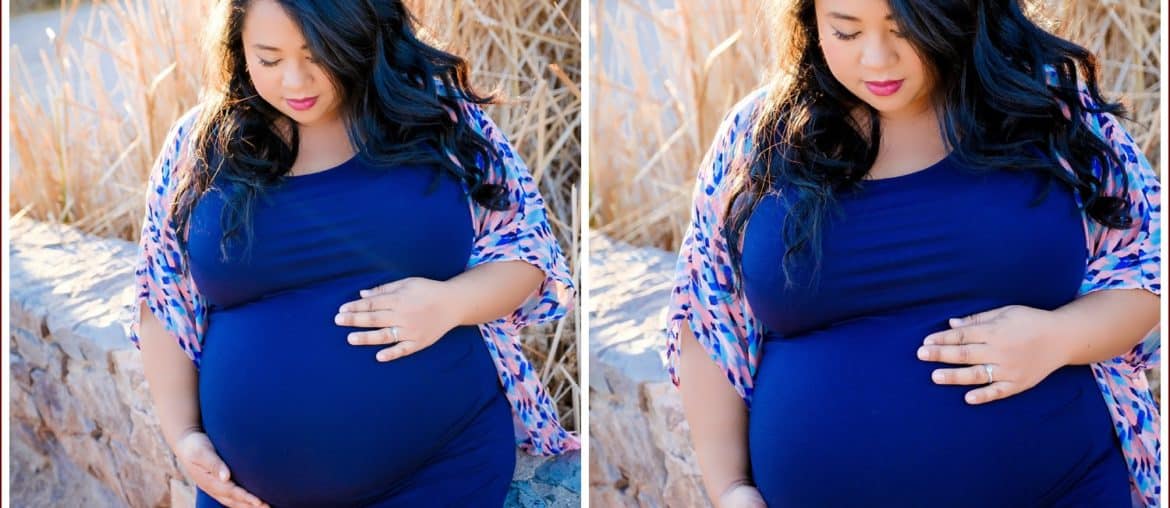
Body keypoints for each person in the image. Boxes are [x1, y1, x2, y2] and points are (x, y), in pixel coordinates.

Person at [665, 0, 1160, 506]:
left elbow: (1149, 264)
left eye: (905, 29)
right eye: (847, 32)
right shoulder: (759, 140)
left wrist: (1059, 338)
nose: (878, 60)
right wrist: (730, 488)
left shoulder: (1044, 109)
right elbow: (708, 317)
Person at [127, 1, 577, 506]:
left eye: (318, 54)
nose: (295, 81)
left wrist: (451, 303)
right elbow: (163, 297)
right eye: (269, 59)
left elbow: (528, 249)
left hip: (437, 471)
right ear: (239, 49)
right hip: (245, 495)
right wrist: (183, 434)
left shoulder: (436, 117)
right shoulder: (200, 145)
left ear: (360, 32)